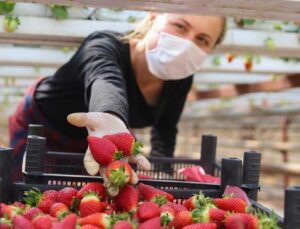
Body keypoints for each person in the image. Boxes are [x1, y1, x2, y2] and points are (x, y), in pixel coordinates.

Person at [9, 12, 226, 187]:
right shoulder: (103, 46)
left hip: (99, 141)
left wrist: (163, 174)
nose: (186, 43)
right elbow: (106, 80)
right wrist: (110, 116)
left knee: (84, 202)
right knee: (30, 192)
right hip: (43, 126)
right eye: (180, 26)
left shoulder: (180, 79)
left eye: (202, 39)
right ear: (153, 17)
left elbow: (166, 128)